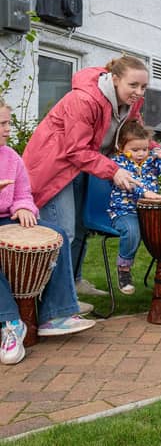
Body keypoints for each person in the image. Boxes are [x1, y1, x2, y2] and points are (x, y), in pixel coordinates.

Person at [22, 55, 149, 303]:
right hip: (56, 167)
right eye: (133, 85)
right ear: (114, 79)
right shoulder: (84, 100)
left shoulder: (130, 103)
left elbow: (133, 134)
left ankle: (74, 282)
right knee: (63, 232)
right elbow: (75, 150)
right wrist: (113, 171)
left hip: (85, 166)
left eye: (143, 87)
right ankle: (53, 300)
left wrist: (154, 150)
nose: (138, 92)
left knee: (81, 227)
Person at [0, 99, 95, 365]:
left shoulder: (12, 158)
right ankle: (11, 322)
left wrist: (22, 207)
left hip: (8, 221)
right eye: (2, 124)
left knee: (59, 235)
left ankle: (57, 314)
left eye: (8, 122)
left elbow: (23, 194)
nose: (8, 129)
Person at [108, 120, 161, 295]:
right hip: (124, 211)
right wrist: (144, 193)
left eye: (144, 149)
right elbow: (127, 185)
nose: (141, 153)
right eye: (135, 150)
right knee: (133, 231)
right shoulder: (117, 164)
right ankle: (124, 269)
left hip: (147, 212)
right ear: (121, 147)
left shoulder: (149, 161)